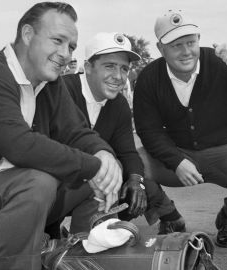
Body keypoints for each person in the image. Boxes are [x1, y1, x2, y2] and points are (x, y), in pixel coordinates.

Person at [0, 3, 122, 270]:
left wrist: (103, 155)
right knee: (37, 182)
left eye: (71, 47)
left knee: (96, 177)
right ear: (28, 34)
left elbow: (76, 132)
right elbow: (22, 146)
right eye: (57, 41)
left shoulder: (49, 82)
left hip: (13, 203)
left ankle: (77, 259)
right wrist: (94, 166)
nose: (65, 53)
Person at [133, 10, 227, 248]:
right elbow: (148, 130)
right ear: (161, 48)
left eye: (191, 42)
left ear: (199, 40)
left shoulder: (222, 63)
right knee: (132, 166)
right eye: (176, 45)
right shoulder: (149, 78)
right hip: (177, 152)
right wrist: (176, 161)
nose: (186, 51)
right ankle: (170, 217)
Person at [57, 32, 185, 233]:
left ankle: (171, 219)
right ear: (88, 67)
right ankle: (73, 239)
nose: (118, 76)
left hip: (91, 180)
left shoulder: (119, 104)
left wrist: (136, 181)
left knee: (136, 177)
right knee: (107, 169)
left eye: (124, 68)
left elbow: (127, 152)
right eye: (109, 66)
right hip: (58, 179)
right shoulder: (61, 90)